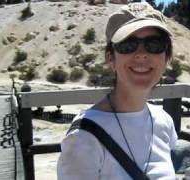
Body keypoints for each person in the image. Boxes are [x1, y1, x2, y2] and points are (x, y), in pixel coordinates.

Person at [57, 2, 178, 180]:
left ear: (166, 56)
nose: (141, 54)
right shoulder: (83, 138)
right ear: (110, 58)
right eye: (128, 44)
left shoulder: (164, 122)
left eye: (154, 44)